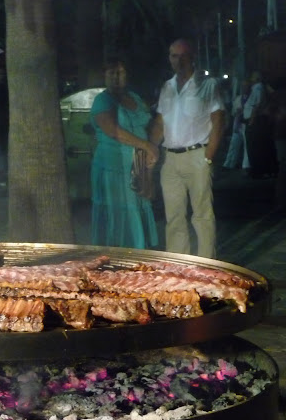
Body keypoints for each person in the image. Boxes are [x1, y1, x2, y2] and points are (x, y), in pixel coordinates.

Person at [149, 38, 225, 259]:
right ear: (169, 59)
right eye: (174, 56)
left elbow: (218, 121)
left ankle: (206, 263)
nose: (179, 61)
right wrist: (151, 148)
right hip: (170, 159)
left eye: (183, 56)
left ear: (192, 57)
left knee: (202, 215)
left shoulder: (207, 85)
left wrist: (208, 156)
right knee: (174, 216)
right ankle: (178, 262)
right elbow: (160, 123)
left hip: (197, 156)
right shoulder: (167, 87)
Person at [89, 58, 159, 249]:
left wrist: (150, 150)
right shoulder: (102, 100)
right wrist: (145, 145)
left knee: (137, 208)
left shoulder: (135, 98)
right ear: (104, 76)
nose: (116, 78)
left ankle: (138, 255)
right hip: (112, 167)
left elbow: (150, 123)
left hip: (137, 163)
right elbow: (112, 129)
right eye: (111, 73)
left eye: (120, 73)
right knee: (118, 213)